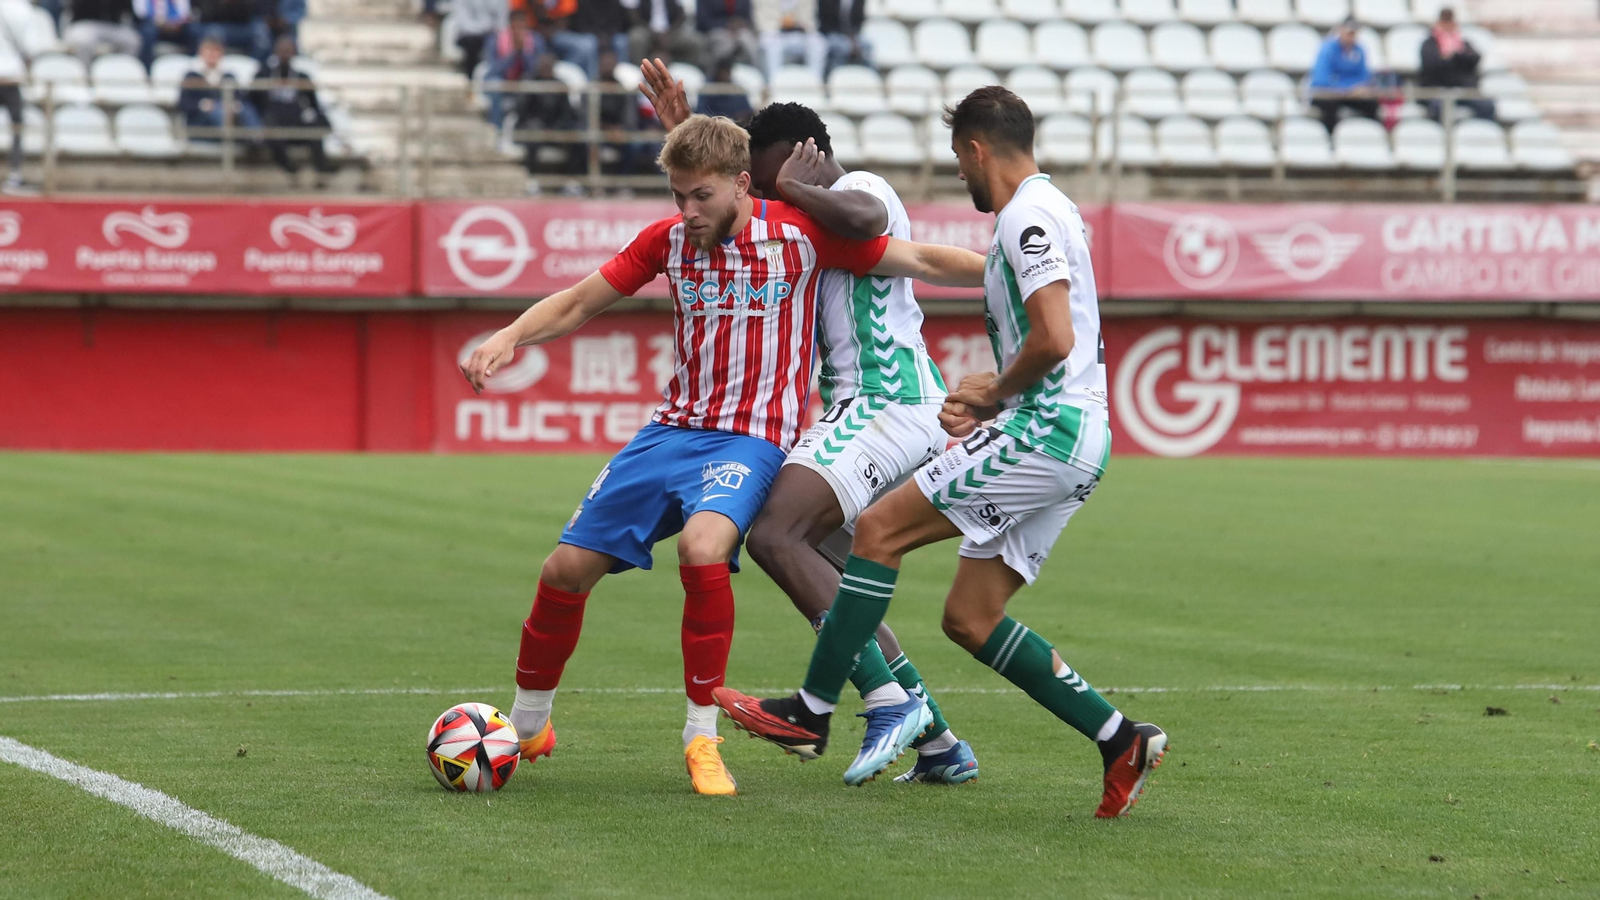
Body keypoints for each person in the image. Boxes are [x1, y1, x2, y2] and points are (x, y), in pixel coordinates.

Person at [458, 113, 985, 797]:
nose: (687, 212)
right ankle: (528, 726)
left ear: (741, 186)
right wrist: (511, 335)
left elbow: (917, 259)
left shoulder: (797, 235)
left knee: (708, 548)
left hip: (753, 439)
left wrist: (1016, 272)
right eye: (677, 196)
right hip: (670, 432)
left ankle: (700, 738)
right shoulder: (669, 242)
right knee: (563, 568)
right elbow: (582, 300)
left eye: (699, 197)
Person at [713, 86, 1170, 817]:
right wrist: (998, 388)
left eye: (961, 159)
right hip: (1067, 431)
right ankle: (1119, 738)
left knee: (878, 531)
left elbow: (1053, 338)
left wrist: (998, 396)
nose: (960, 174)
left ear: (978, 148)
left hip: (1046, 431)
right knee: (970, 618)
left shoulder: (1026, 216)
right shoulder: (1050, 212)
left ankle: (813, 707)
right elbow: (1054, 339)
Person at [642, 62, 979, 785]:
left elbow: (866, 222)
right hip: (861, 411)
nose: (761, 200)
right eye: (758, 187)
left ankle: (880, 703)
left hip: (887, 403)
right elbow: (723, 204)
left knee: (772, 535)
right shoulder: (791, 220)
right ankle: (938, 741)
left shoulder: (858, 189)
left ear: (809, 155)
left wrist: (794, 184)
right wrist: (684, 131)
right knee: (831, 575)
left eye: (770, 182)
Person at [253, 34, 335, 175]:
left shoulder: (302, 77)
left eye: (288, 50)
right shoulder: (263, 74)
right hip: (273, 125)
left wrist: (322, 121)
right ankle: (290, 168)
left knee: (315, 127)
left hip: (295, 123)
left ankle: (321, 168)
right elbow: (252, 100)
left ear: (294, 53)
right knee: (270, 129)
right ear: (275, 51)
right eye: (282, 50)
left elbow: (313, 105)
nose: (285, 54)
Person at [177, 32, 262, 138]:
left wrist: (232, 105)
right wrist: (203, 105)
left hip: (230, 117)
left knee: (247, 110)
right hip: (201, 124)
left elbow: (241, 98)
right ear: (201, 52)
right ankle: (228, 140)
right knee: (216, 110)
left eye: (216, 50)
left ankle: (257, 140)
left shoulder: (228, 75)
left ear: (222, 53)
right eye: (209, 50)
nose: (212, 54)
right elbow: (183, 103)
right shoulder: (192, 75)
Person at [515, 51, 583, 181]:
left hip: (555, 127)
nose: (546, 68)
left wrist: (559, 126)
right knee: (533, 131)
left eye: (549, 65)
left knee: (578, 135)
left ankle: (571, 180)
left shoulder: (560, 85)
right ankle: (531, 178)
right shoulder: (529, 82)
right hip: (532, 127)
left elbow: (567, 112)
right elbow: (521, 110)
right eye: (543, 65)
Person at [1419, 8, 1493, 123]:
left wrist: (1455, 54)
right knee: (1439, 108)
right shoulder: (1429, 44)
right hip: (1437, 90)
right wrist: (1450, 55)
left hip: (1462, 90)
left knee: (1487, 106)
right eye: (1445, 22)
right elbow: (1432, 66)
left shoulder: (1462, 44)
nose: (1448, 26)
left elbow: (1475, 58)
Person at [1309, 18, 1377, 133]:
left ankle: (1369, 135)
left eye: (1354, 33)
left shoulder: (1359, 51)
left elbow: (1364, 77)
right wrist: (1348, 89)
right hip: (1326, 94)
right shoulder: (1328, 49)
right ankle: (1330, 138)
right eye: (1349, 33)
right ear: (1340, 30)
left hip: (1348, 95)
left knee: (1372, 104)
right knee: (1330, 106)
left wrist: (1358, 89)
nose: (1352, 37)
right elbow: (1321, 80)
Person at [483, 8, 540, 128]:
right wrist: (513, 55)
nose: (519, 31)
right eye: (515, 27)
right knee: (494, 84)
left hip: (524, 82)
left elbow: (536, 70)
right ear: (510, 25)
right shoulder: (496, 39)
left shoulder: (536, 40)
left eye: (522, 27)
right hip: (503, 82)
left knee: (530, 84)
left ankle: (523, 129)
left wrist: (523, 53)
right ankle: (496, 128)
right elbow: (491, 70)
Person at [519, 0, 598, 79]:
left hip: (557, 35)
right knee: (531, 42)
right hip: (533, 34)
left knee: (589, 43)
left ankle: (585, 83)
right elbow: (524, 19)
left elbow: (565, 20)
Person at [755, 0, 825, 84]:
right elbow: (761, 20)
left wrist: (796, 23)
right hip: (773, 32)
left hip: (799, 33)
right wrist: (781, 23)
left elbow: (810, 21)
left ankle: (815, 83)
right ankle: (773, 85)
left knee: (818, 43)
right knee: (772, 46)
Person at [622, 0, 702, 71]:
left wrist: (669, 33)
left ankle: (689, 74)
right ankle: (641, 72)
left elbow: (681, 16)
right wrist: (654, 34)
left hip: (671, 32)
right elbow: (634, 16)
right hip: (646, 30)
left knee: (695, 41)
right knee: (636, 38)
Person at [0, 9, 30, 194]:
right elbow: (28, 46)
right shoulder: (17, 9)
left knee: (18, 126)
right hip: (11, 77)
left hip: (11, 77)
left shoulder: (15, 9)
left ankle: (15, 174)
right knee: (17, 126)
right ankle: (15, 174)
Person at [64, 0, 141, 67]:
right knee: (83, 42)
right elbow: (75, 7)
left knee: (132, 41)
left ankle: (119, 74)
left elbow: (127, 10)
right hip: (84, 23)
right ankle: (85, 76)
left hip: (112, 24)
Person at [193, 0, 271, 62]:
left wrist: (238, 3)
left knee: (261, 33)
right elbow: (207, 16)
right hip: (219, 25)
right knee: (213, 32)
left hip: (245, 26)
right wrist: (223, 4)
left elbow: (254, 11)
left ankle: (255, 69)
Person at [450, 0, 507, 80]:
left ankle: (492, 77)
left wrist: (490, 29)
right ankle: (470, 79)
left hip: (492, 35)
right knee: (472, 43)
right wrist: (484, 28)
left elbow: (502, 21)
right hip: (470, 36)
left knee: (497, 43)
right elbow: (463, 22)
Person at [133, 0, 198, 69]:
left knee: (194, 30)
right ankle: (146, 68)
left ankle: (193, 68)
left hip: (177, 28)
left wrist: (175, 23)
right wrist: (160, 23)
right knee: (148, 32)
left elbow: (185, 13)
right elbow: (141, 14)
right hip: (153, 26)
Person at [696, 0, 759, 70]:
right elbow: (702, 22)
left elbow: (748, 20)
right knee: (724, 44)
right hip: (715, 31)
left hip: (740, 31)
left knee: (748, 40)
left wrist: (740, 24)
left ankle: (755, 72)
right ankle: (717, 74)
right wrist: (727, 24)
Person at [693, 57, 752, 124]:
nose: (725, 75)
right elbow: (701, 112)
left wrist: (741, 117)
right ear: (717, 72)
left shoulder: (737, 90)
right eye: (723, 72)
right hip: (712, 127)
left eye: (727, 72)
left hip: (734, 126)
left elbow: (745, 110)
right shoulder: (707, 89)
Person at [817, 0, 866, 72]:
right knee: (843, 46)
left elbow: (859, 22)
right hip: (831, 33)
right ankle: (835, 73)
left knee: (867, 45)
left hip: (852, 35)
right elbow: (824, 23)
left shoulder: (859, 1)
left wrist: (852, 37)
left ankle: (867, 73)